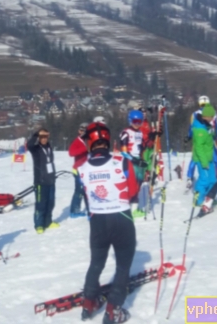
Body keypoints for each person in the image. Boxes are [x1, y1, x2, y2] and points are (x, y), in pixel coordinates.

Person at [78, 122, 138, 324]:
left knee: (96, 262)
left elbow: (86, 195)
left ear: (90, 143)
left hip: (97, 221)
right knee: (122, 266)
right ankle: (113, 310)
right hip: (121, 218)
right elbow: (133, 191)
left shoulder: (82, 168)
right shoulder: (121, 161)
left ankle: (88, 301)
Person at [120, 109, 155, 218]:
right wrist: (134, 160)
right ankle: (126, 208)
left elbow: (142, 146)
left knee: (139, 183)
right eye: (134, 121)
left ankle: (134, 209)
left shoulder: (140, 132)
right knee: (131, 185)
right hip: (130, 161)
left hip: (138, 159)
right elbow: (124, 152)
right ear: (130, 120)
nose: (137, 124)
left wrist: (151, 138)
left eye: (139, 122)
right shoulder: (125, 133)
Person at [27, 128, 58, 234]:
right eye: (42, 137)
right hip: (40, 182)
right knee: (40, 204)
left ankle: (48, 222)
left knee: (50, 203)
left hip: (51, 180)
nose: (44, 139)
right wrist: (36, 134)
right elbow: (29, 144)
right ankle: (39, 224)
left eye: (46, 137)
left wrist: (53, 175)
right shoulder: (36, 149)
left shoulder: (49, 147)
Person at [192, 104, 217, 214]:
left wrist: (216, 134)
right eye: (212, 117)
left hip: (209, 157)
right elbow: (199, 147)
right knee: (204, 179)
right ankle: (198, 200)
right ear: (207, 116)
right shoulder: (200, 129)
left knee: (213, 180)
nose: (213, 119)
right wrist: (204, 162)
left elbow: (211, 135)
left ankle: (209, 198)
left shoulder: (207, 125)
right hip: (202, 159)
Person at [185, 95, 210, 189]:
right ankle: (190, 177)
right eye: (203, 104)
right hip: (203, 140)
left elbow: (192, 127)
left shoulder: (196, 114)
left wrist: (189, 136)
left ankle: (190, 177)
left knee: (198, 159)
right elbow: (192, 127)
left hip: (204, 140)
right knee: (198, 159)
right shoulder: (196, 114)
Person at [68, 123, 89, 218]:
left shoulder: (87, 141)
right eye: (80, 130)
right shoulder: (77, 141)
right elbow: (71, 152)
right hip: (78, 170)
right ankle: (74, 210)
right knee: (79, 191)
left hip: (87, 169)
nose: (82, 132)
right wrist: (84, 149)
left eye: (84, 131)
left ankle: (90, 210)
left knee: (87, 191)